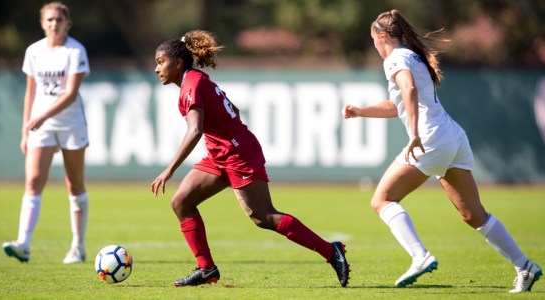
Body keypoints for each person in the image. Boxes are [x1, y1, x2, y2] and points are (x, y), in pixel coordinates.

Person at [342, 9, 541, 293]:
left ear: (383, 36)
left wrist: (413, 134)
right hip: (452, 136)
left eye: (374, 39)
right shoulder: (411, 56)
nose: (374, 46)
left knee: (382, 199)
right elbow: (399, 102)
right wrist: (361, 111)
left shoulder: (395, 59)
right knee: (473, 214)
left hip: (430, 138)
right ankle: (525, 266)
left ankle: (419, 256)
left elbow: (408, 90)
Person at [151, 30, 350, 287]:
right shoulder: (197, 79)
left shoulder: (191, 84)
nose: (157, 68)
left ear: (177, 63)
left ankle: (330, 251)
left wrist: (169, 170)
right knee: (181, 202)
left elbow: (195, 130)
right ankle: (206, 269)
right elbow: (232, 108)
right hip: (221, 153)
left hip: (238, 154)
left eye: (160, 62)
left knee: (263, 217)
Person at [2, 1, 90, 264]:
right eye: (49, 20)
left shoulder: (75, 51)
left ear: (67, 23)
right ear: (42, 23)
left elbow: (71, 93)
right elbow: (31, 91)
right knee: (33, 181)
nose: (54, 24)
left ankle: (78, 246)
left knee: (74, 185)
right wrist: (24, 128)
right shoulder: (34, 51)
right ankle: (23, 244)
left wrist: (40, 116)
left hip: (71, 123)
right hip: (41, 125)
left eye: (59, 20)